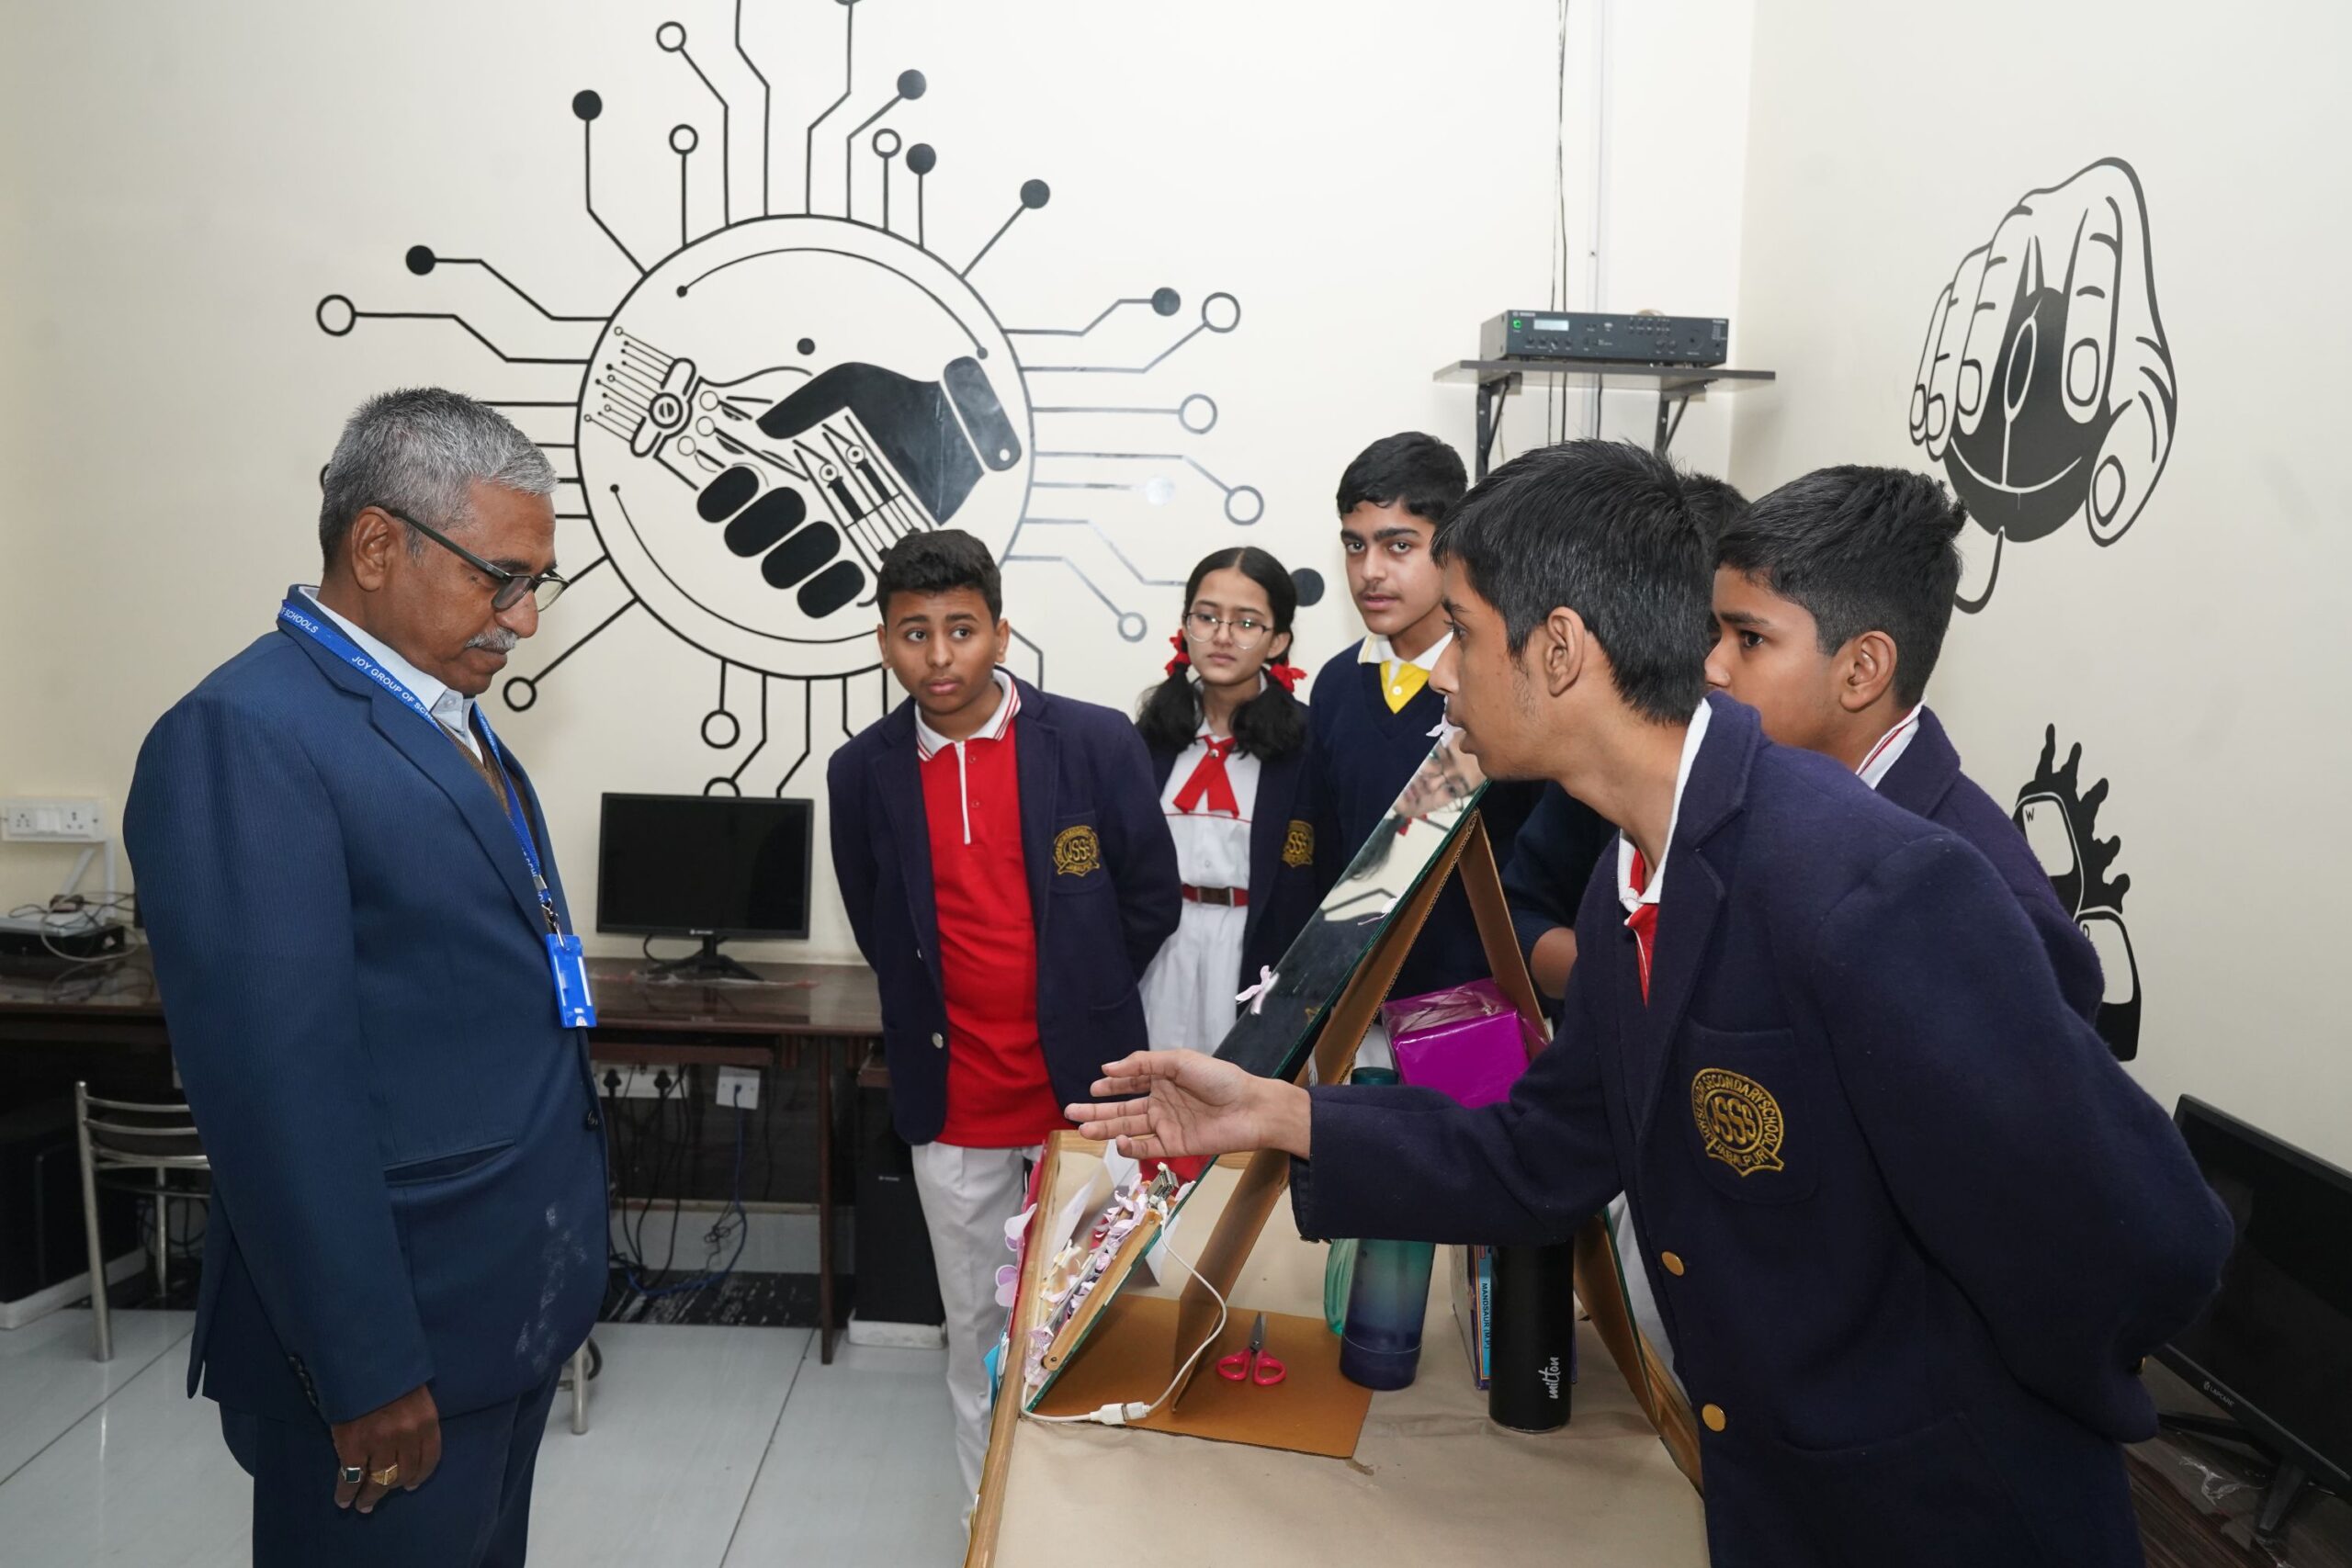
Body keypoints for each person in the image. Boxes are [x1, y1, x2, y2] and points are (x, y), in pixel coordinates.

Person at [1069, 440, 2231, 1568]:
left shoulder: (1867, 883)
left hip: (1940, 1514)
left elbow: (2147, 1241)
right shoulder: (1633, 868)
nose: (1446, 674)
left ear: (1558, 650)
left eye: (1463, 633)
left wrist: (1928, 1412)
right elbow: (1544, 1151)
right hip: (1773, 1503)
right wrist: (1277, 1114)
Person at [123, 389, 603, 1568]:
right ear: (379, 544)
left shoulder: (439, 713)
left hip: (494, 1313)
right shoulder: (248, 732)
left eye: (536, 584)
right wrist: (366, 1366)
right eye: (502, 579)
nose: (524, 619)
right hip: (389, 1350)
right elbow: (276, 1091)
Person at [826, 529, 1178, 1506]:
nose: (939, 657)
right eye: (913, 633)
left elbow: (1149, 899)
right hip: (955, 1105)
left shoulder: (1094, 742)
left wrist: (1083, 994)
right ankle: (990, 1527)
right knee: (976, 1336)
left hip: (1086, 1092)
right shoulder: (861, 772)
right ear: (884, 642)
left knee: (1097, 1319)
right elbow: (879, 924)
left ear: (1001, 633)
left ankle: (1095, 1523)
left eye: (961, 629)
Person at [1707, 465, 2104, 1026]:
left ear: (1861, 670)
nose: (1712, 667)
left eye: (1749, 639)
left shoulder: (1990, 910)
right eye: (1716, 634)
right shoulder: (1736, 798)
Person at [1505, 473, 1749, 1002]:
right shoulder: (1593, 759)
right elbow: (1519, 912)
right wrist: (1622, 981)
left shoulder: (1782, 786)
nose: (1714, 663)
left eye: (1744, 638)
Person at [1311, 432, 1534, 1000]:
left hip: (1476, 1010)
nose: (1370, 571)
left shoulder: (1505, 683)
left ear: (1452, 546)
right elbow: (1323, 859)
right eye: (1355, 545)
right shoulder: (1336, 684)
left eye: (1398, 546)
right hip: (1353, 1006)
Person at [1134, 547, 1318, 1054]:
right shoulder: (1148, 735)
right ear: (1185, 625)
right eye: (1207, 617)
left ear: (1278, 640)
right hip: (1161, 948)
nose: (1222, 635)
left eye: (1246, 622)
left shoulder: (1308, 743)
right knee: (1150, 1085)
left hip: (1253, 951)